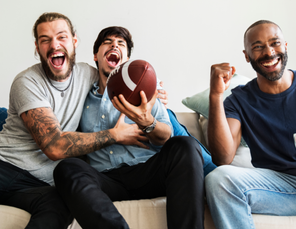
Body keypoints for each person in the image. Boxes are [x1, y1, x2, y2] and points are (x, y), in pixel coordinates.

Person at [0, 13, 165, 229]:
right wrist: (115, 135)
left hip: (43, 185)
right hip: (7, 170)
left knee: (57, 209)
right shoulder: (27, 82)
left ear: (74, 42)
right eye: (45, 40)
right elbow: (54, 146)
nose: (54, 45)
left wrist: (153, 91)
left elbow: (117, 78)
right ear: (37, 47)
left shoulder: (88, 74)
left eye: (61, 37)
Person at [53, 26, 208, 229]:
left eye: (121, 44)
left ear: (126, 61)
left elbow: (165, 137)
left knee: (185, 146)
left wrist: (147, 122)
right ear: (95, 56)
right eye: (107, 42)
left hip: (147, 172)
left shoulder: (146, 91)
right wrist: (114, 135)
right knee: (67, 168)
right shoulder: (80, 95)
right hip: (106, 179)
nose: (114, 45)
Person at [205, 20, 296, 229]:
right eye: (258, 47)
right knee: (218, 179)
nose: (269, 52)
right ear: (246, 55)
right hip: (282, 189)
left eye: (275, 43)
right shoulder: (238, 100)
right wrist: (215, 95)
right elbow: (222, 157)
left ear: (285, 46)